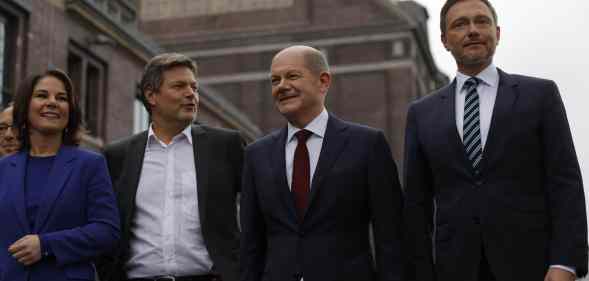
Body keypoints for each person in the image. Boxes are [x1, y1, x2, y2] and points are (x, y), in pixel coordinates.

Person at [403, 1, 588, 281]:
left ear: (497, 33)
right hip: (455, 269)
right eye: (460, 24)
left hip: (534, 266)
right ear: (444, 41)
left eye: (482, 21)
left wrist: (566, 262)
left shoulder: (540, 96)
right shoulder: (421, 113)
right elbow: (417, 205)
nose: (473, 30)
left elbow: (565, 182)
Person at [240, 45, 404, 281]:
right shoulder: (256, 154)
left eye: (292, 76)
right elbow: (251, 244)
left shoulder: (367, 145)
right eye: (275, 80)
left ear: (323, 81)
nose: (282, 86)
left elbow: (391, 237)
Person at [97, 53, 243, 281]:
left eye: (194, 88)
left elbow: (260, 212)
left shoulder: (225, 146)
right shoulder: (117, 156)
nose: (191, 94)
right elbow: (105, 226)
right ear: (151, 95)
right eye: (179, 86)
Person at [0, 69, 120, 281]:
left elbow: (107, 231)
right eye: (42, 95)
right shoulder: (3, 168)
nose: (52, 102)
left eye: (61, 98)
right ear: (25, 107)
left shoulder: (90, 165)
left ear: (70, 111)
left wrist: (46, 245)